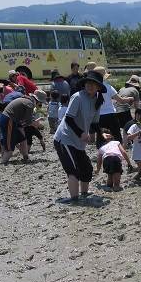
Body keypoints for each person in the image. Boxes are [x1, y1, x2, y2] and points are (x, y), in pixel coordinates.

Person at [54, 69, 104, 201]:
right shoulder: (77, 97)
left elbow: (94, 123)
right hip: (65, 138)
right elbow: (69, 119)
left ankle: (85, 194)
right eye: (88, 82)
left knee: (87, 168)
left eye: (93, 83)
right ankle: (74, 199)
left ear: (99, 87)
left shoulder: (98, 101)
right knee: (73, 170)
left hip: (79, 141)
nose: (90, 85)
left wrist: (101, 135)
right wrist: (81, 133)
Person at [0, 89, 47, 164]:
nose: (40, 105)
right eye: (40, 103)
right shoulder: (30, 104)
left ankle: (25, 157)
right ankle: (3, 163)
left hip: (11, 121)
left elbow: (24, 121)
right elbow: (28, 121)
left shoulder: (25, 99)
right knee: (10, 149)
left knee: (23, 139)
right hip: (9, 121)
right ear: (38, 101)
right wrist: (38, 125)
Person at [94, 66, 135, 144]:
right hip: (111, 115)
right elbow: (121, 101)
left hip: (98, 116)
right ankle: (118, 151)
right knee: (116, 136)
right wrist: (129, 98)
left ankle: (102, 152)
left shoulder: (92, 88)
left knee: (101, 137)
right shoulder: (108, 87)